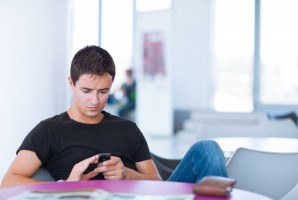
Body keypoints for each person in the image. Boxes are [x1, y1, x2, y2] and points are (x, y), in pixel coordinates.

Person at [1, 45, 227, 188]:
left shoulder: (128, 129)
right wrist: (67, 184)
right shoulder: (48, 131)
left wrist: (127, 174)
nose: (95, 101)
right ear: (71, 83)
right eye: (87, 91)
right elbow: (8, 183)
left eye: (103, 91)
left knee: (207, 148)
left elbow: (157, 183)